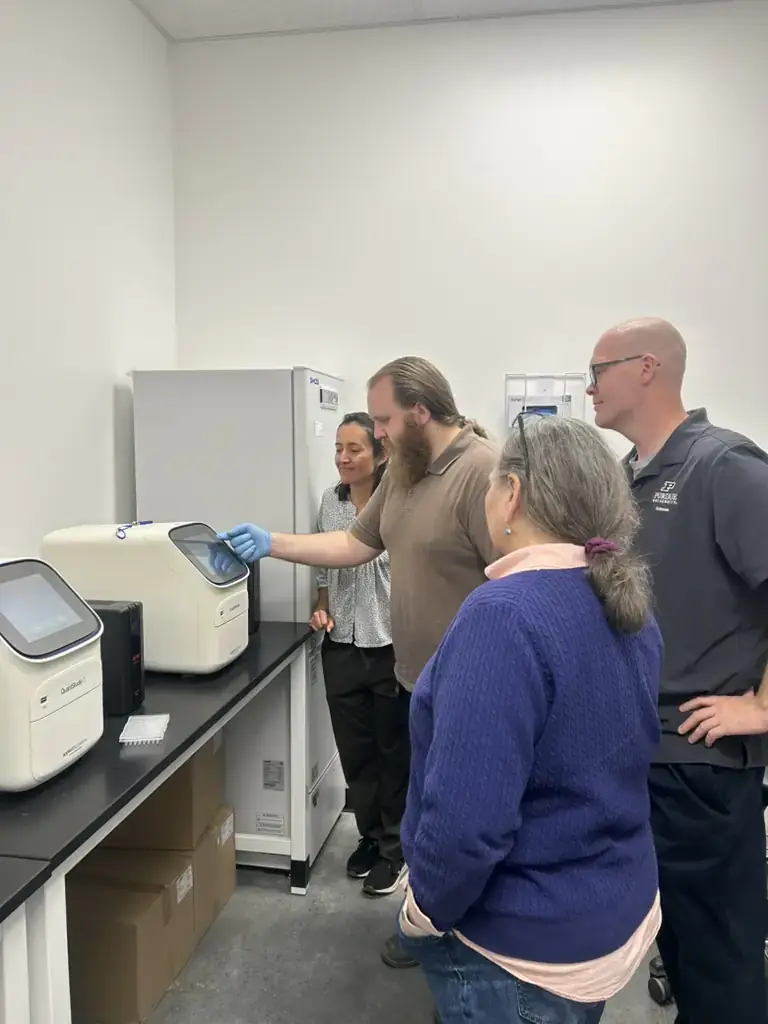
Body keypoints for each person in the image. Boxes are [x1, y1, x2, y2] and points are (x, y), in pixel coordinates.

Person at [396, 413, 663, 1024]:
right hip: (607, 909)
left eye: (491, 484)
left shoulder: (503, 616)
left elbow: (468, 823)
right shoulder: (623, 600)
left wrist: (422, 912)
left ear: (511, 493)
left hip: (522, 944)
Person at [218, 357, 497, 936]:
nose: (379, 434)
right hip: (417, 680)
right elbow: (352, 543)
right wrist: (272, 543)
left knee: (458, 820)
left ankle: (452, 939)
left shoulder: (481, 472)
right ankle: (430, 925)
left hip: (469, 685)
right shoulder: (405, 475)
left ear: (420, 413)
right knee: (425, 811)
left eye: (384, 420)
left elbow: (513, 578)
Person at [588, 317, 768, 1024]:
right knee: (678, 950)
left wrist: (759, 706)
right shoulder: (632, 475)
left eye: (597, 369)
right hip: (641, 759)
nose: (589, 386)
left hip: (703, 764)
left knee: (719, 968)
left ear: (646, 369)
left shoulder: (724, 467)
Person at [309, 411, 410, 897]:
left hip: (390, 644)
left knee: (395, 752)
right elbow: (326, 567)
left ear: (381, 453)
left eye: (355, 449)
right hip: (341, 646)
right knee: (356, 752)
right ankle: (369, 836)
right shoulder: (331, 502)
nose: (344, 458)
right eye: (339, 448)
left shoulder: (402, 500)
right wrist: (322, 604)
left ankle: (396, 849)